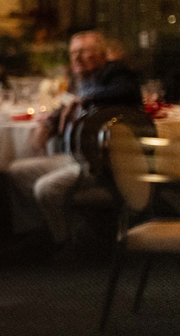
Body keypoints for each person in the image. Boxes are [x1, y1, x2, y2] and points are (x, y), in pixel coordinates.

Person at [8, 30, 142, 244]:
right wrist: (49, 123)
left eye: (84, 51)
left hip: (102, 166)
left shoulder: (114, 73)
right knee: (17, 171)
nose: (77, 58)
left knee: (46, 188)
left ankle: (66, 242)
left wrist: (85, 100)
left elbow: (125, 91)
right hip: (75, 158)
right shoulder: (81, 80)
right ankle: (50, 230)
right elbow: (66, 105)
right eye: (73, 53)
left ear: (102, 54)